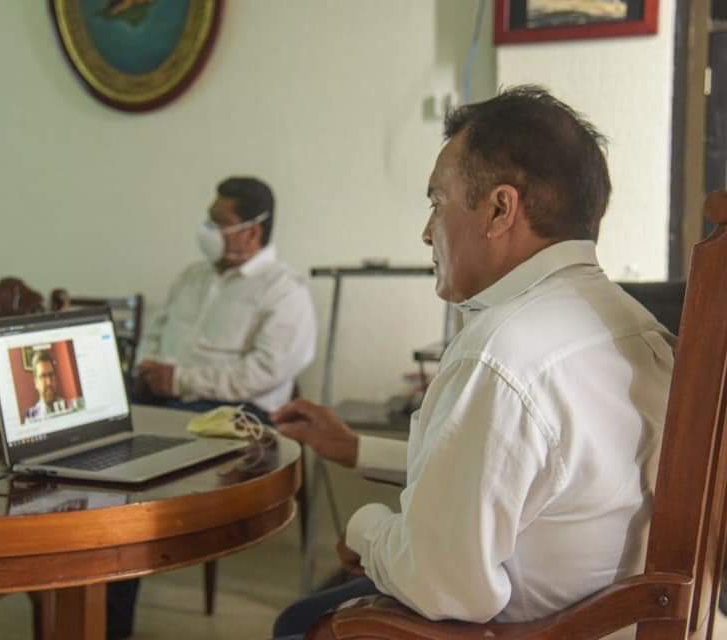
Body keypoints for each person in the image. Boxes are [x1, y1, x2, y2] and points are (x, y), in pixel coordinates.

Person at [270, 86, 675, 639]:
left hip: (528, 627)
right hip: (628, 618)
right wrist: (356, 448)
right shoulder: (635, 325)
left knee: (299, 624)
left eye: (437, 202)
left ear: (500, 209)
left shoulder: (502, 354)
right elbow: (525, 474)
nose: (425, 231)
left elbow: (446, 587)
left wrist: (366, 528)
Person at [133, 176, 317, 420]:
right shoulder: (192, 277)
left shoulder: (285, 291)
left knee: (160, 434)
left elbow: (264, 371)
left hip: (235, 411)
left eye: (219, 223)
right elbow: (154, 332)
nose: (207, 230)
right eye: (209, 220)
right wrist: (146, 366)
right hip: (160, 398)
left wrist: (180, 381)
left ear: (252, 233)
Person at [24, 350, 65, 422]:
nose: (49, 382)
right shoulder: (30, 416)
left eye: (51, 375)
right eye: (43, 376)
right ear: (36, 382)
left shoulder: (69, 407)